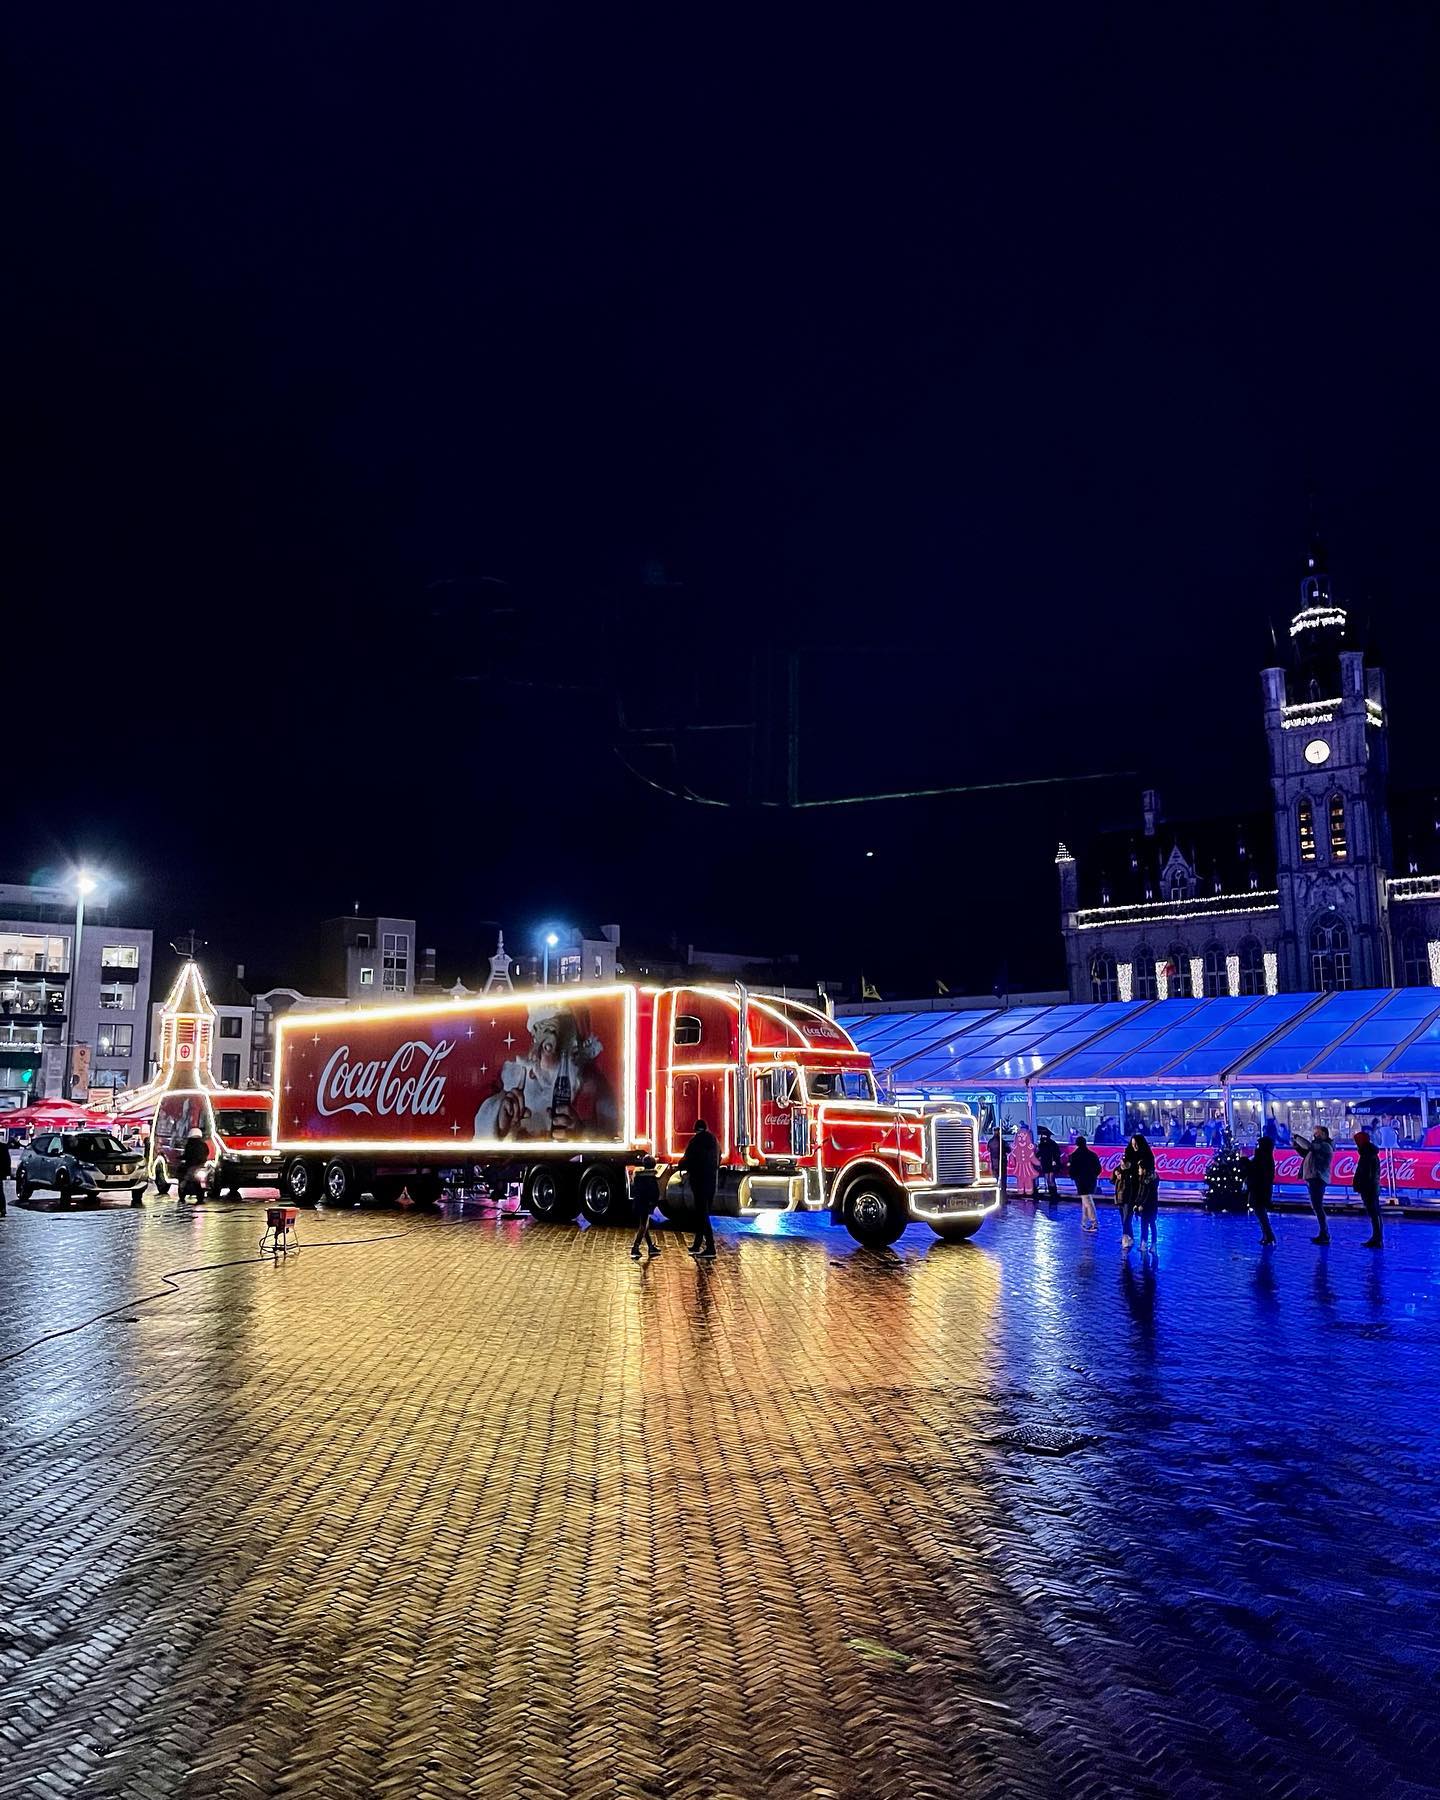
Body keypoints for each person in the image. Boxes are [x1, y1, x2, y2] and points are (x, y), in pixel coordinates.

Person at [680, 1118, 720, 1258]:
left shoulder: (695, 1142)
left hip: (699, 1183)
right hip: (711, 1182)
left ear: (695, 1129)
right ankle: (697, 1245)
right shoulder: (714, 1141)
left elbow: (688, 1160)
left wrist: (681, 1166)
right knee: (703, 1214)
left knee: (702, 1215)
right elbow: (718, 1159)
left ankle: (710, 1247)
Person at [1293, 1123, 1333, 1244]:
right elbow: (1307, 1154)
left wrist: (1297, 1138)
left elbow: (1310, 1148)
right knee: (1316, 1206)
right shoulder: (1319, 1146)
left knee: (1317, 1206)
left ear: (1324, 1134)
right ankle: (1323, 1233)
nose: (1315, 1135)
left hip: (1317, 1178)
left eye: (1318, 1133)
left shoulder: (1325, 1146)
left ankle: (1325, 1233)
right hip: (1313, 1177)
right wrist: (1297, 1147)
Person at [1115, 1132, 1155, 1250]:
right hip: (1128, 1189)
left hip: (1141, 1190)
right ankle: (1127, 1236)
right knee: (1126, 1216)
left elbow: (1150, 1173)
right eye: (1133, 1144)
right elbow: (1120, 1168)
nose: (1134, 1147)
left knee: (1145, 1220)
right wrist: (1119, 1171)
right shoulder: (1128, 1154)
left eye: (1136, 1144)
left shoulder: (1147, 1156)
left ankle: (1146, 1242)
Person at [629, 1155, 664, 1260]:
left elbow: (634, 1190)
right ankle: (635, 1247)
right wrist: (654, 1202)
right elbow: (654, 1193)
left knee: (645, 1225)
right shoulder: (651, 1178)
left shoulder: (639, 1176)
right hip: (646, 1204)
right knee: (643, 1226)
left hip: (639, 1203)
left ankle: (650, 1247)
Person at [1352, 1129, 1383, 1249]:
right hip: (1372, 1186)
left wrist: (1360, 1185)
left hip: (1369, 1187)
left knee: (1373, 1212)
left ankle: (1377, 1238)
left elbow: (1366, 1173)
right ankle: (1377, 1237)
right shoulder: (1370, 1153)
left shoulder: (1367, 1155)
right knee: (1374, 1213)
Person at [1245, 1134, 1277, 1247]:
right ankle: (1267, 1235)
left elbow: (1254, 1171)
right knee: (1261, 1213)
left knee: (1260, 1213)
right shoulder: (1267, 1157)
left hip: (1259, 1189)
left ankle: (1269, 1235)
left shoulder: (1262, 1157)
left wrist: (1244, 1161)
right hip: (1262, 1188)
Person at [1068, 1133, 1101, 1233]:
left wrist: (1074, 1177)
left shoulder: (1074, 1156)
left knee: (1087, 1201)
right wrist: (1094, 1175)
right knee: (1086, 1201)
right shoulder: (1092, 1155)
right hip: (1091, 1180)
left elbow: (1072, 1170)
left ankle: (1094, 1223)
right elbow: (1098, 1168)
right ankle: (1084, 1221)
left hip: (1081, 1181)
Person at [1008, 1124, 1039, 1199]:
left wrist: (1013, 1162)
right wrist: (1039, 1163)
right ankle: (1026, 1192)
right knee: (1023, 1179)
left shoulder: (1027, 1149)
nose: (1022, 1140)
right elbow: (1033, 1159)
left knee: (1024, 1179)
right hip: (1021, 1167)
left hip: (1026, 1167)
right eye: (1019, 1138)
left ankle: (1023, 1191)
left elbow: (1032, 1158)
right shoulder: (1020, 1149)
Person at [178, 1127, 209, 1201]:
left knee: (186, 1177)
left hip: (192, 1166)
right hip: (202, 1165)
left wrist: (181, 1157)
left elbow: (187, 1155)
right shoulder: (204, 1144)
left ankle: (182, 1186)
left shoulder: (189, 1144)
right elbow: (207, 1153)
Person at [1035, 1126, 1062, 1198]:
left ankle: (1053, 1193)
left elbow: (1056, 1153)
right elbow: (1039, 1154)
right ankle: (1052, 1192)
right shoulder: (1042, 1145)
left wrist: (1055, 1161)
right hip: (1046, 1163)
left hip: (1051, 1163)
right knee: (1048, 1179)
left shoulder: (1052, 1144)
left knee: (1050, 1179)